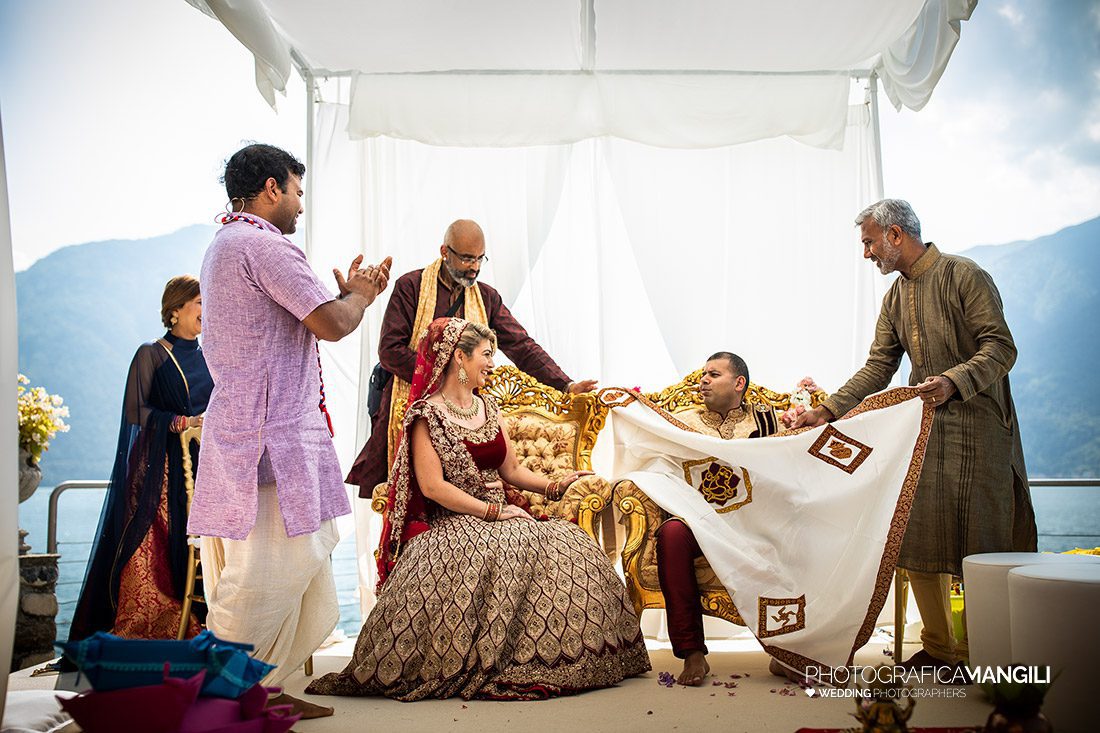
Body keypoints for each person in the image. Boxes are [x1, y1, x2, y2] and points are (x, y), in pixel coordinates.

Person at [306, 317, 650, 701]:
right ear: (459, 357)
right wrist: (492, 512)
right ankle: (502, 660)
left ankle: (566, 657)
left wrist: (557, 484)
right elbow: (433, 487)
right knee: (508, 546)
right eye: (486, 354)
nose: (491, 363)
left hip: (502, 512)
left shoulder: (489, 406)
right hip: (453, 520)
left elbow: (512, 470)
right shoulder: (426, 415)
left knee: (572, 543)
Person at [188, 143, 391, 718]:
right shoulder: (265, 245)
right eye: (297, 192)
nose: (301, 204)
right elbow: (331, 323)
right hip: (272, 437)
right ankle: (223, 699)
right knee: (267, 572)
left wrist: (346, 296)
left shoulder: (224, 245)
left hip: (245, 430)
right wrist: (360, 295)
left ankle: (262, 692)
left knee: (282, 566)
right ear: (272, 188)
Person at [791, 199, 1036, 672]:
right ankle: (940, 649)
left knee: (984, 540)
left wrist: (954, 381)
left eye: (869, 242)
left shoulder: (964, 275)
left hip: (981, 430)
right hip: (923, 433)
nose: (866, 253)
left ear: (895, 234)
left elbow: (1001, 348)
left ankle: (985, 652)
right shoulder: (895, 297)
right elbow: (879, 366)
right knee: (916, 533)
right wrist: (826, 410)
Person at [346, 219, 598, 498]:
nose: (474, 267)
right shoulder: (411, 287)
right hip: (412, 405)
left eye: (480, 258)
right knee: (416, 494)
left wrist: (565, 384)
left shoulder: (486, 297)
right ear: (445, 251)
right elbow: (390, 351)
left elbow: (521, 345)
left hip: (464, 413)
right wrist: (448, 382)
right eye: (467, 258)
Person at [622, 352, 781, 686]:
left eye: (714, 374)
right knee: (671, 533)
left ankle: (786, 650)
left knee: (795, 529)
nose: (703, 380)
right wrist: (628, 404)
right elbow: (649, 447)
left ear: (739, 383)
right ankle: (692, 653)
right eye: (702, 375)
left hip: (753, 523)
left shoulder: (766, 421)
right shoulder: (683, 422)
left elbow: (786, 468)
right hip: (701, 521)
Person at [70, 275, 212, 642]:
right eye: (200, 302)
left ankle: (217, 619)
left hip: (209, 465)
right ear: (175, 309)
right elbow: (135, 411)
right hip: (163, 467)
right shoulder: (152, 353)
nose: (208, 308)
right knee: (159, 543)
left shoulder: (212, 354)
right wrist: (181, 422)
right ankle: (161, 620)